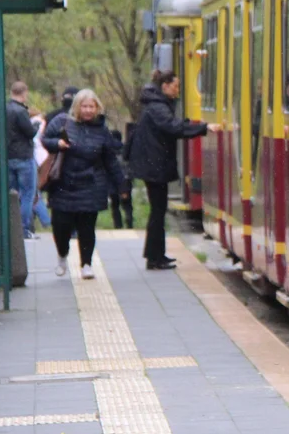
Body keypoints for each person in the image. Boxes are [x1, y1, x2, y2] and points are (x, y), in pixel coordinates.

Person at [128, 70, 217, 270]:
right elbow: (173, 127)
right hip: (154, 166)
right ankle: (154, 257)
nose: (177, 90)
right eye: (175, 86)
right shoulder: (158, 107)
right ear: (165, 86)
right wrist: (203, 128)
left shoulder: (155, 104)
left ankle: (156, 254)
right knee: (157, 212)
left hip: (153, 165)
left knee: (158, 211)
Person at [42, 89, 126, 280]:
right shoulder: (63, 122)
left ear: (97, 108)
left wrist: (121, 185)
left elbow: (110, 160)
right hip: (64, 183)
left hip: (91, 184)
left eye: (91, 106)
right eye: (84, 106)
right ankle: (62, 254)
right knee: (61, 226)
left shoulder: (102, 130)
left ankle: (86, 264)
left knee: (87, 226)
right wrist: (58, 144)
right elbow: (45, 140)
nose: (88, 110)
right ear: (77, 107)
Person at [6, 81, 39, 240]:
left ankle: (11, 229)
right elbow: (30, 132)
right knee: (27, 194)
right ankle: (24, 229)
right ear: (24, 93)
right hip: (24, 157)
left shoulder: (4, 109)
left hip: (8, 156)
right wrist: (37, 125)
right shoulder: (20, 111)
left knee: (12, 195)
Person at [108, 129, 133, 230]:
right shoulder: (125, 149)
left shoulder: (108, 149)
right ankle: (129, 221)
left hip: (112, 180)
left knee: (115, 205)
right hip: (126, 179)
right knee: (127, 203)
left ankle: (118, 225)